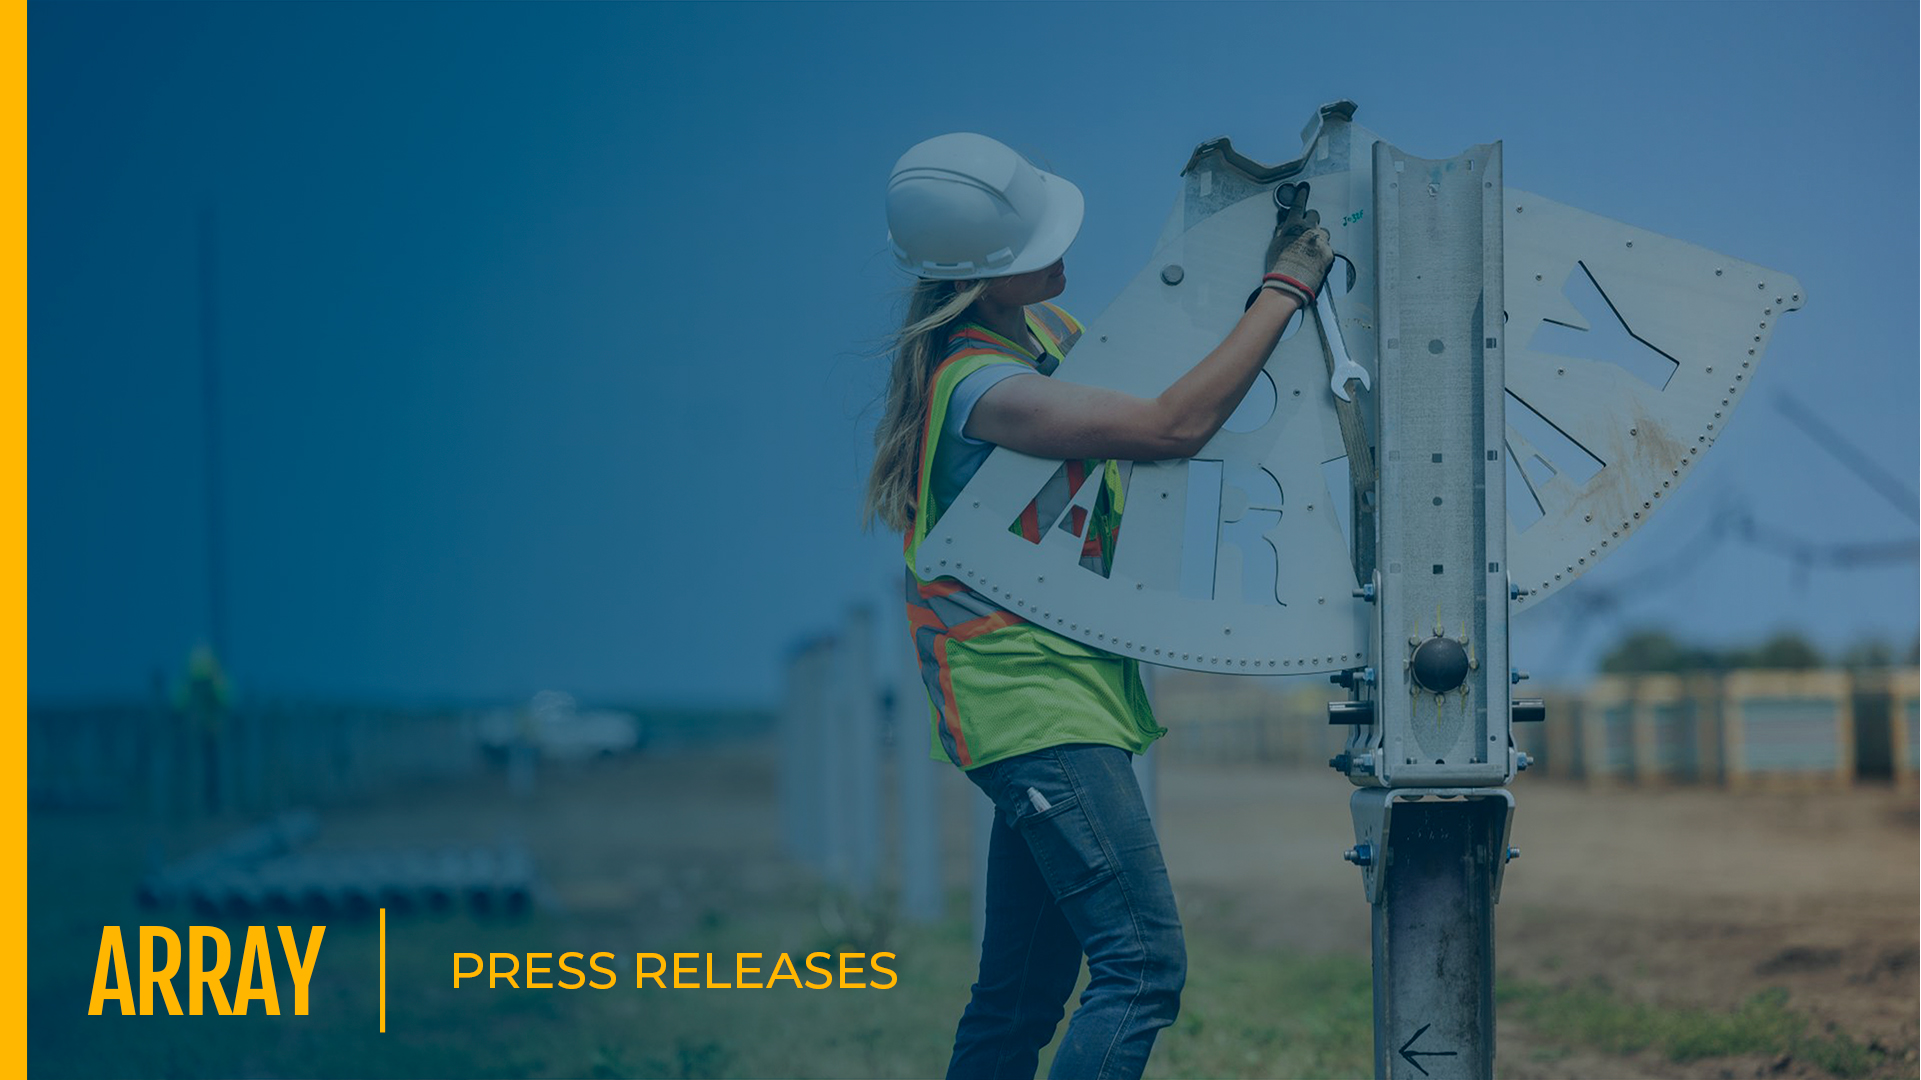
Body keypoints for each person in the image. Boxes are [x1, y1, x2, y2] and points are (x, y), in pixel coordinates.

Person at [863, 132, 1333, 1080]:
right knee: (1142, 967)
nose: (1061, 245)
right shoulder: (984, 389)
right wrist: (1285, 290)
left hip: (1060, 699)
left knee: (1019, 999)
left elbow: (1178, 359)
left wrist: (1245, 250)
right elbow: (1172, 424)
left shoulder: (1042, 340)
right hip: (1032, 708)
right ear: (984, 276)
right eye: (1035, 240)